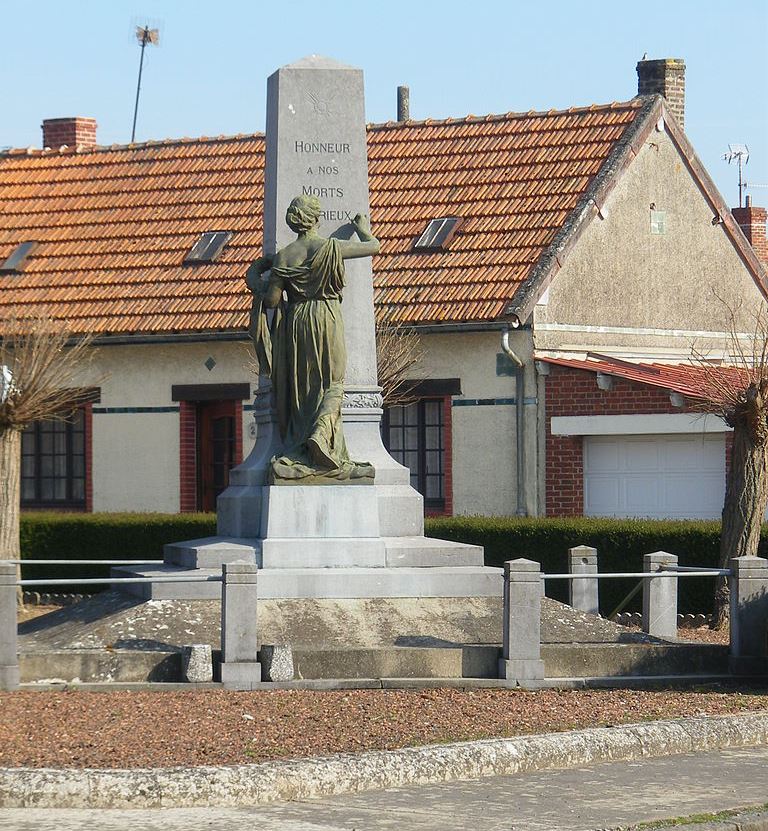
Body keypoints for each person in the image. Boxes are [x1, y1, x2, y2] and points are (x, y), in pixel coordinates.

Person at [246, 194, 379, 483]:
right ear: (317, 219)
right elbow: (373, 247)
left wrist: (260, 271)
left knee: (303, 386)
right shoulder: (331, 248)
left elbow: (271, 302)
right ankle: (320, 433)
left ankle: (307, 437)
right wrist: (361, 227)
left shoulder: (285, 256)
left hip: (297, 323)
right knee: (334, 380)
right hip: (326, 317)